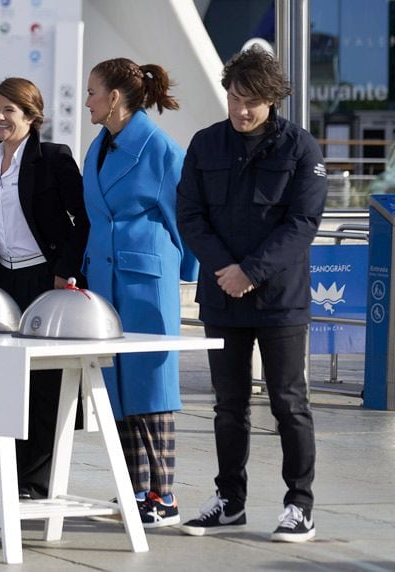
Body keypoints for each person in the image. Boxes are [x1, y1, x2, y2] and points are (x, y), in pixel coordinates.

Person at [176, 45, 327, 542]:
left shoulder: (300, 149)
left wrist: (252, 272)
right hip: (222, 295)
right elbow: (190, 216)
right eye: (235, 98)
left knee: (288, 401)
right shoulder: (205, 145)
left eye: (252, 102)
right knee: (227, 404)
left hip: (280, 300)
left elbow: (302, 223)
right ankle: (229, 501)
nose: (242, 110)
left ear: (272, 100)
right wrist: (225, 269)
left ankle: (298, 504)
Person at [80, 58, 197, 529]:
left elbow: (184, 219)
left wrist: (184, 274)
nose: (86, 99)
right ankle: (134, 489)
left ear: (114, 98)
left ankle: (163, 495)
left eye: (92, 92)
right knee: (119, 387)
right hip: (105, 282)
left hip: (146, 281)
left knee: (152, 383)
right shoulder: (101, 146)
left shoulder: (161, 149)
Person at [0, 77, 89, 503]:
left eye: (10, 111)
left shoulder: (54, 159)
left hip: (46, 279)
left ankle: (32, 482)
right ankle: (8, 474)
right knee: (8, 384)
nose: (0, 117)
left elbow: (82, 220)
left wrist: (65, 270)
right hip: (2, 281)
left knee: (46, 387)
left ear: (31, 117)